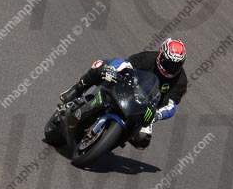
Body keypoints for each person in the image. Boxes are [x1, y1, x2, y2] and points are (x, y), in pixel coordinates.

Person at [59, 38, 187, 149]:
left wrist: (157, 114)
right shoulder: (148, 58)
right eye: (168, 63)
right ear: (160, 55)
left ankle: (110, 142)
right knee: (100, 66)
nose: (171, 68)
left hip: (146, 107)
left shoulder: (181, 80)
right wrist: (113, 70)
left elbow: (171, 105)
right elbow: (127, 64)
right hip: (126, 88)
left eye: (176, 65)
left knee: (142, 140)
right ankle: (76, 90)